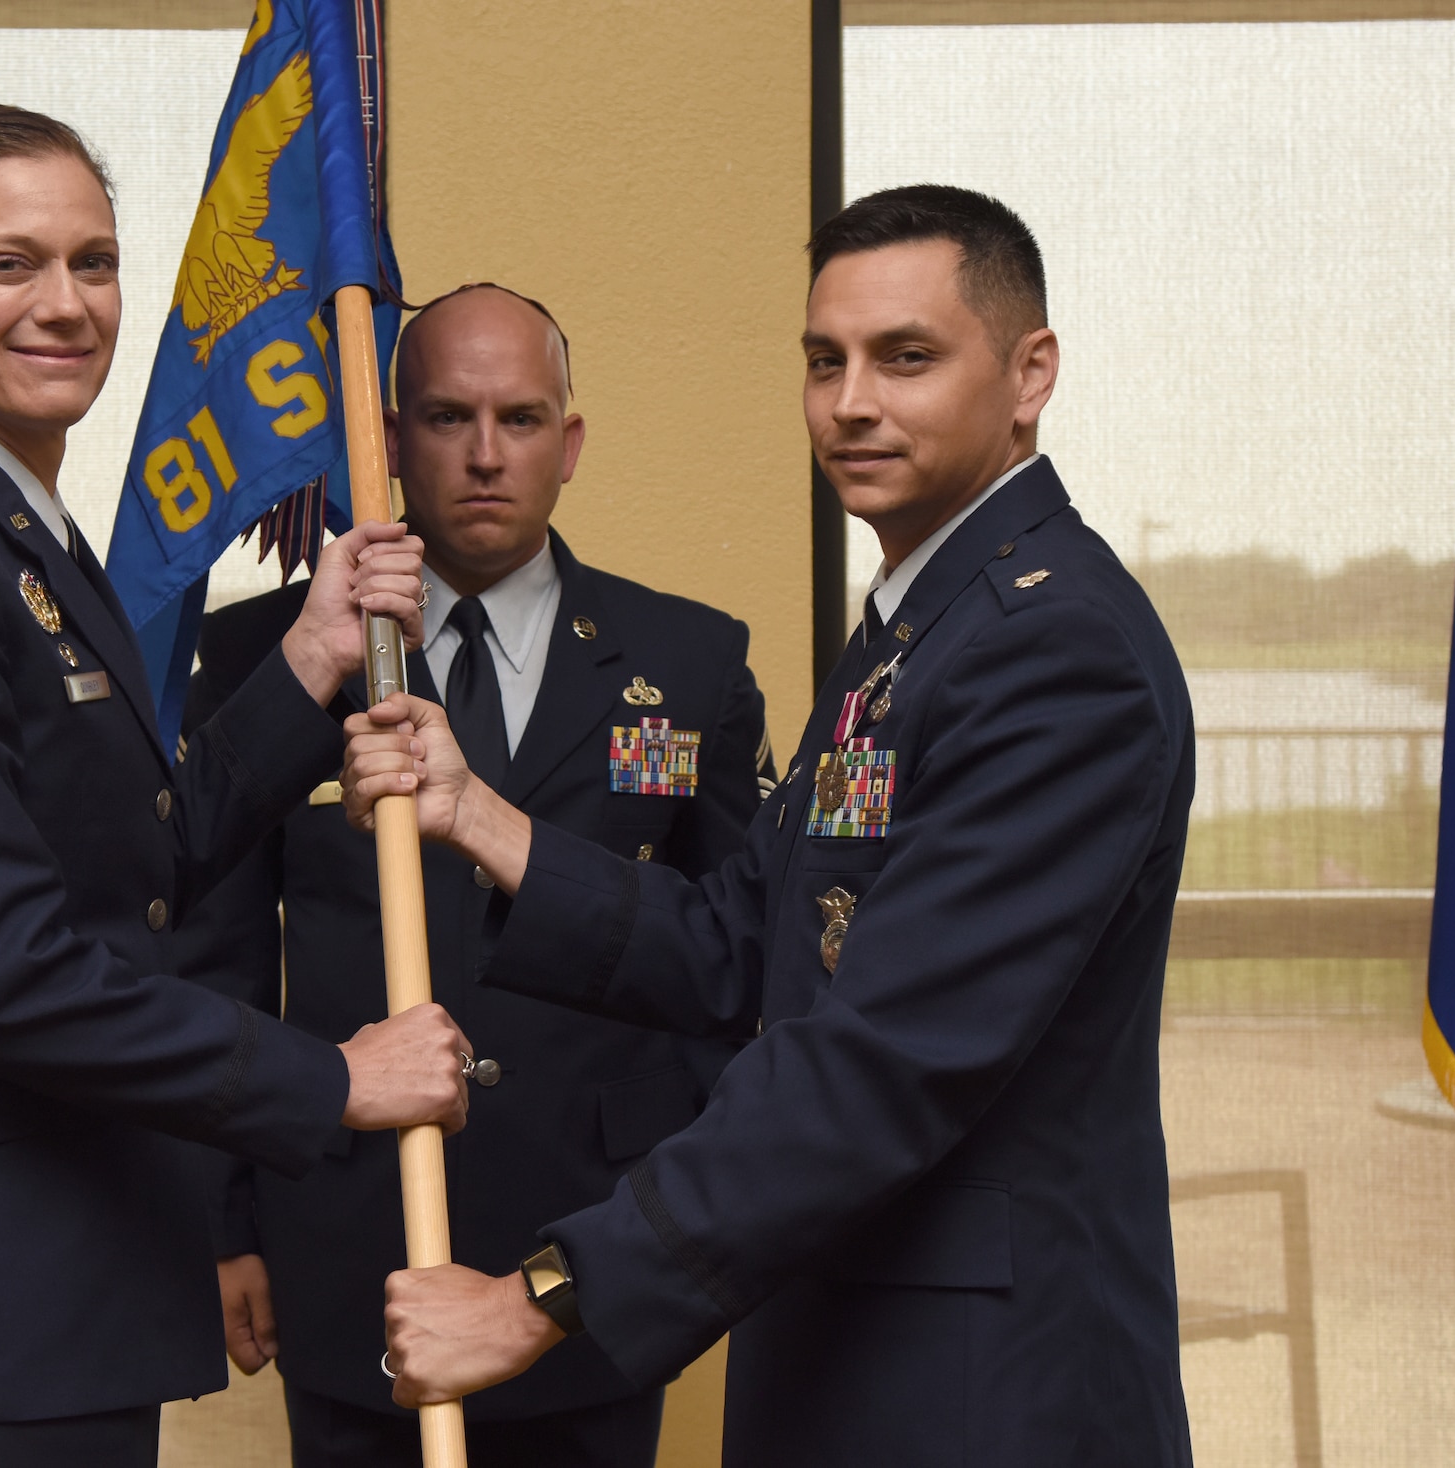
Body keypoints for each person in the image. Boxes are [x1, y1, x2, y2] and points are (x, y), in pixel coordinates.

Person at [345, 186, 1197, 1465]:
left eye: (905, 357)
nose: (851, 401)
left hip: (980, 1388)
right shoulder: (920, 631)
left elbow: (879, 1060)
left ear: (1029, 375)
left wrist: (542, 1296)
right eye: (823, 360)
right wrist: (477, 816)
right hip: (853, 1336)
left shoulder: (1050, 650)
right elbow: (742, 935)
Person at [0, 104, 472, 1468]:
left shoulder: (11, 538)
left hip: (45, 1304)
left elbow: (135, 866)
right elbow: (0, 971)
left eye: (95, 262)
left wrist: (315, 661)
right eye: (10, 264)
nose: (67, 304)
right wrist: (328, 1081)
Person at [174, 283, 774, 1468]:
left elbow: (730, 958)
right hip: (352, 1233)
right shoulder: (273, 654)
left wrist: (681, 1200)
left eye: (521, 417)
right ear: (387, 442)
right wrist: (222, 1219)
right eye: (447, 418)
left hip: (589, 1239)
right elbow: (217, 956)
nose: (486, 454)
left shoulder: (687, 660)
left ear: (571, 442)